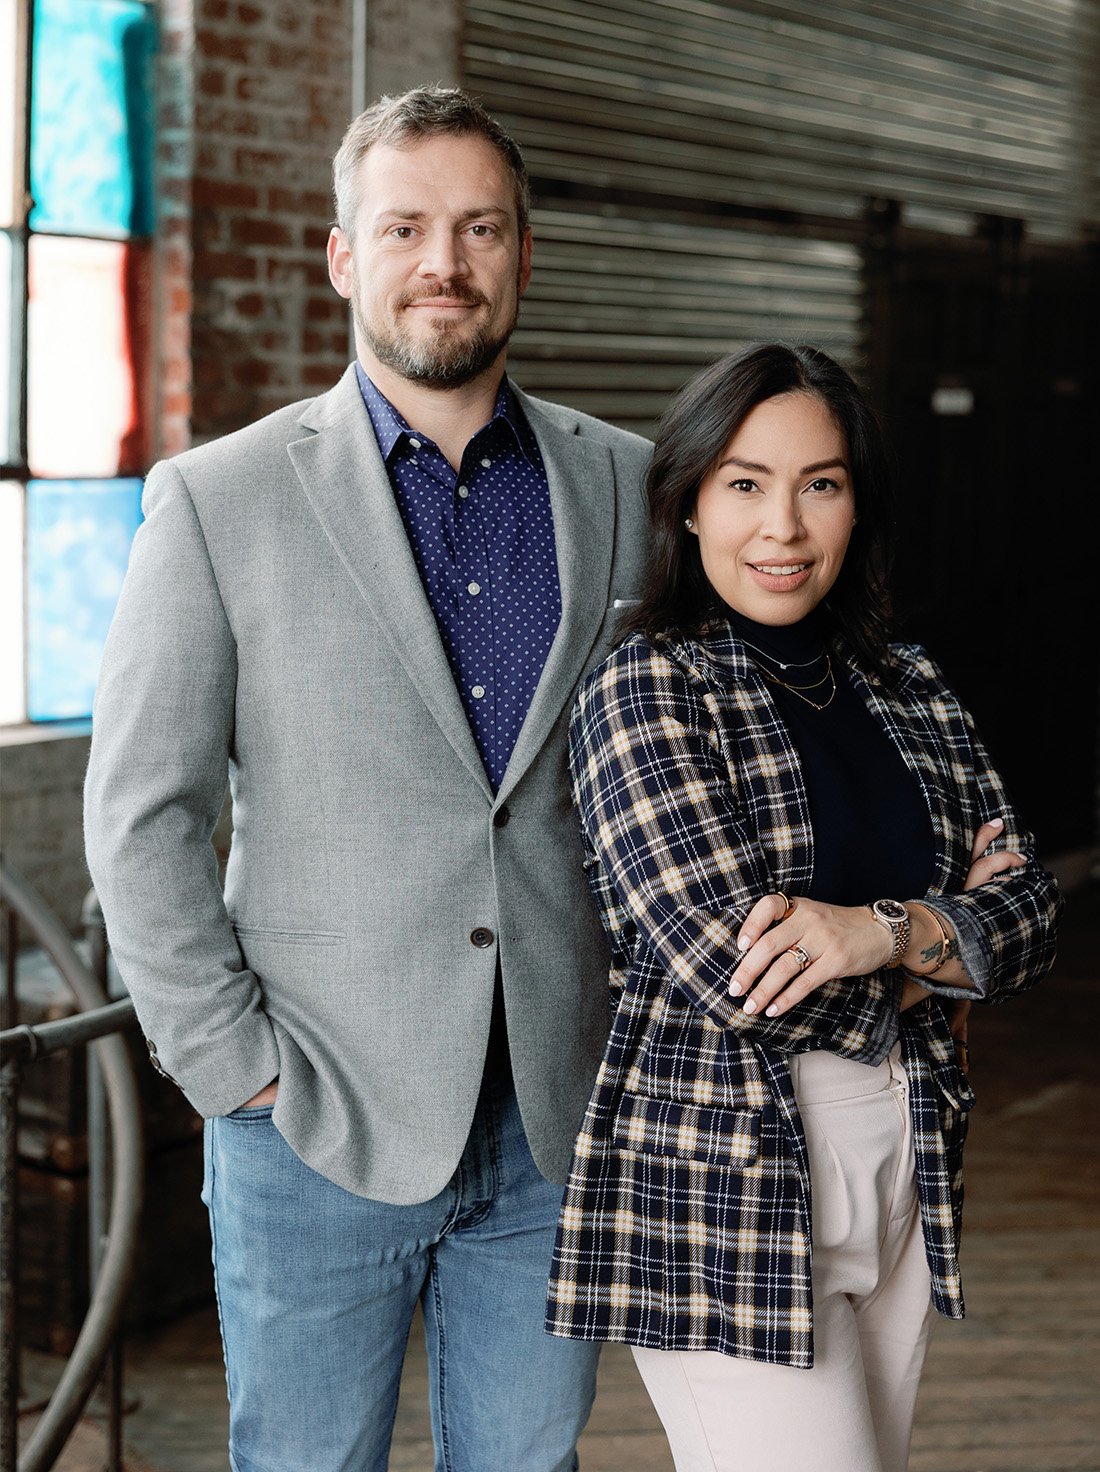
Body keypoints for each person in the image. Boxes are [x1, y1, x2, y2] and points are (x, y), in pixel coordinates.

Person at [84, 86, 650, 1472]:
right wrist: (236, 1072)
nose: (441, 262)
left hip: (554, 1120)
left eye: (478, 228)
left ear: (521, 252)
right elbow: (140, 815)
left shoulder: (632, 488)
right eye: (403, 227)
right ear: (346, 257)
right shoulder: (218, 501)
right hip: (311, 1121)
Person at [546, 343, 1060, 1472]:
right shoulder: (647, 685)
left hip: (908, 1147)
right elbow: (737, 969)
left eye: (818, 483)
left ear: (853, 503)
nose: (781, 524)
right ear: (685, 502)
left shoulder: (907, 682)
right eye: (743, 482)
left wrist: (868, 932)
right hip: (731, 1165)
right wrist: (941, 943)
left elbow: (1031, 912)